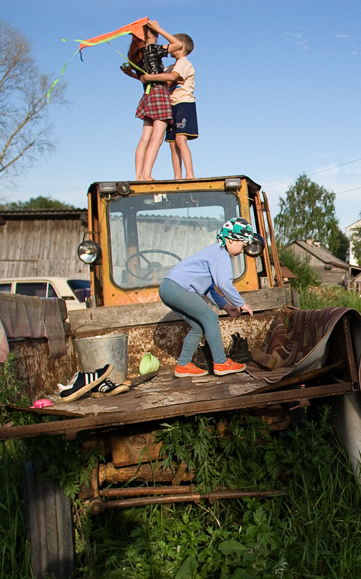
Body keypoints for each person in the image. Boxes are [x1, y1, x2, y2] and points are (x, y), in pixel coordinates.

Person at [159, 217, 255, 377]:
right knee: (210, 318)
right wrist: (241, 303)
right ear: (231, 240)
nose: (241, 252)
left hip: (168, 288)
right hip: (176, 287)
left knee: (199, 326)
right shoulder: (221, 254)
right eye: (242, 246)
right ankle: (221, 362)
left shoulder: (214, 252)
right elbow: (224, 284)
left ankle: (183, 365)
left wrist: (226, 306)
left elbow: (209, 289)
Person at [124, 20, 183, 180]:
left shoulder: (138, 54)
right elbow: (177, 44)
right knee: (156, 138)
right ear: (150, 34)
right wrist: (159, 28)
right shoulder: (153, 49)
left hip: (148, 95)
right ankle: (147, 174)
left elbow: (144, 78)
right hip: (160, 93)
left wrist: (132, 74)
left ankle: (139, 176)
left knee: (145, 137)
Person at [141, 33, 197, 179]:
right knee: (172, 144)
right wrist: (137, 74)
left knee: (180, 140)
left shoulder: (184, 62)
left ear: (180, 46)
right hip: (171, 105)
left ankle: (189, 174)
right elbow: (159, 78)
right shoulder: (171, 66)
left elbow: (171, 77)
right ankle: (177, 176)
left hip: (184, 103)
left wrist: (150, 77)